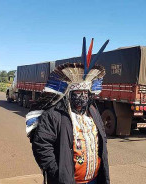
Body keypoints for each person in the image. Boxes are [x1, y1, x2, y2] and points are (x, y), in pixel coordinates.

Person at [27, 38, 110, 184]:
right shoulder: (54, 114)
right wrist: (57, 173)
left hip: (95, 180)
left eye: (86, 93)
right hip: (68, 180)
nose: (83, 97)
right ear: (69, 94)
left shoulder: (93, 112)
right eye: (78, 93)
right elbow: (41, 145)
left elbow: (101, 141)